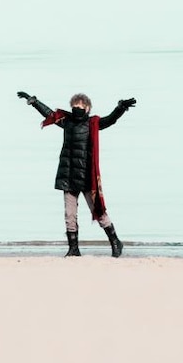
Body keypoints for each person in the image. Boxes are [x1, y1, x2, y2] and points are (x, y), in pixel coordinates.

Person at [17, 90, 136, 258]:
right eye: (74, 106)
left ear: (87, 108)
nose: (76, 109)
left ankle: (116, 242)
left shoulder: (93, 123)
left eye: (80, 106)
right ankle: (74, 249)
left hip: (87, 178)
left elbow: (111, 119)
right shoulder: (66, 121)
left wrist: (121, 107)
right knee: (69, 214)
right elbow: (50, 114)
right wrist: (34, 101)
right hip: (68, 176)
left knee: (99, 213)